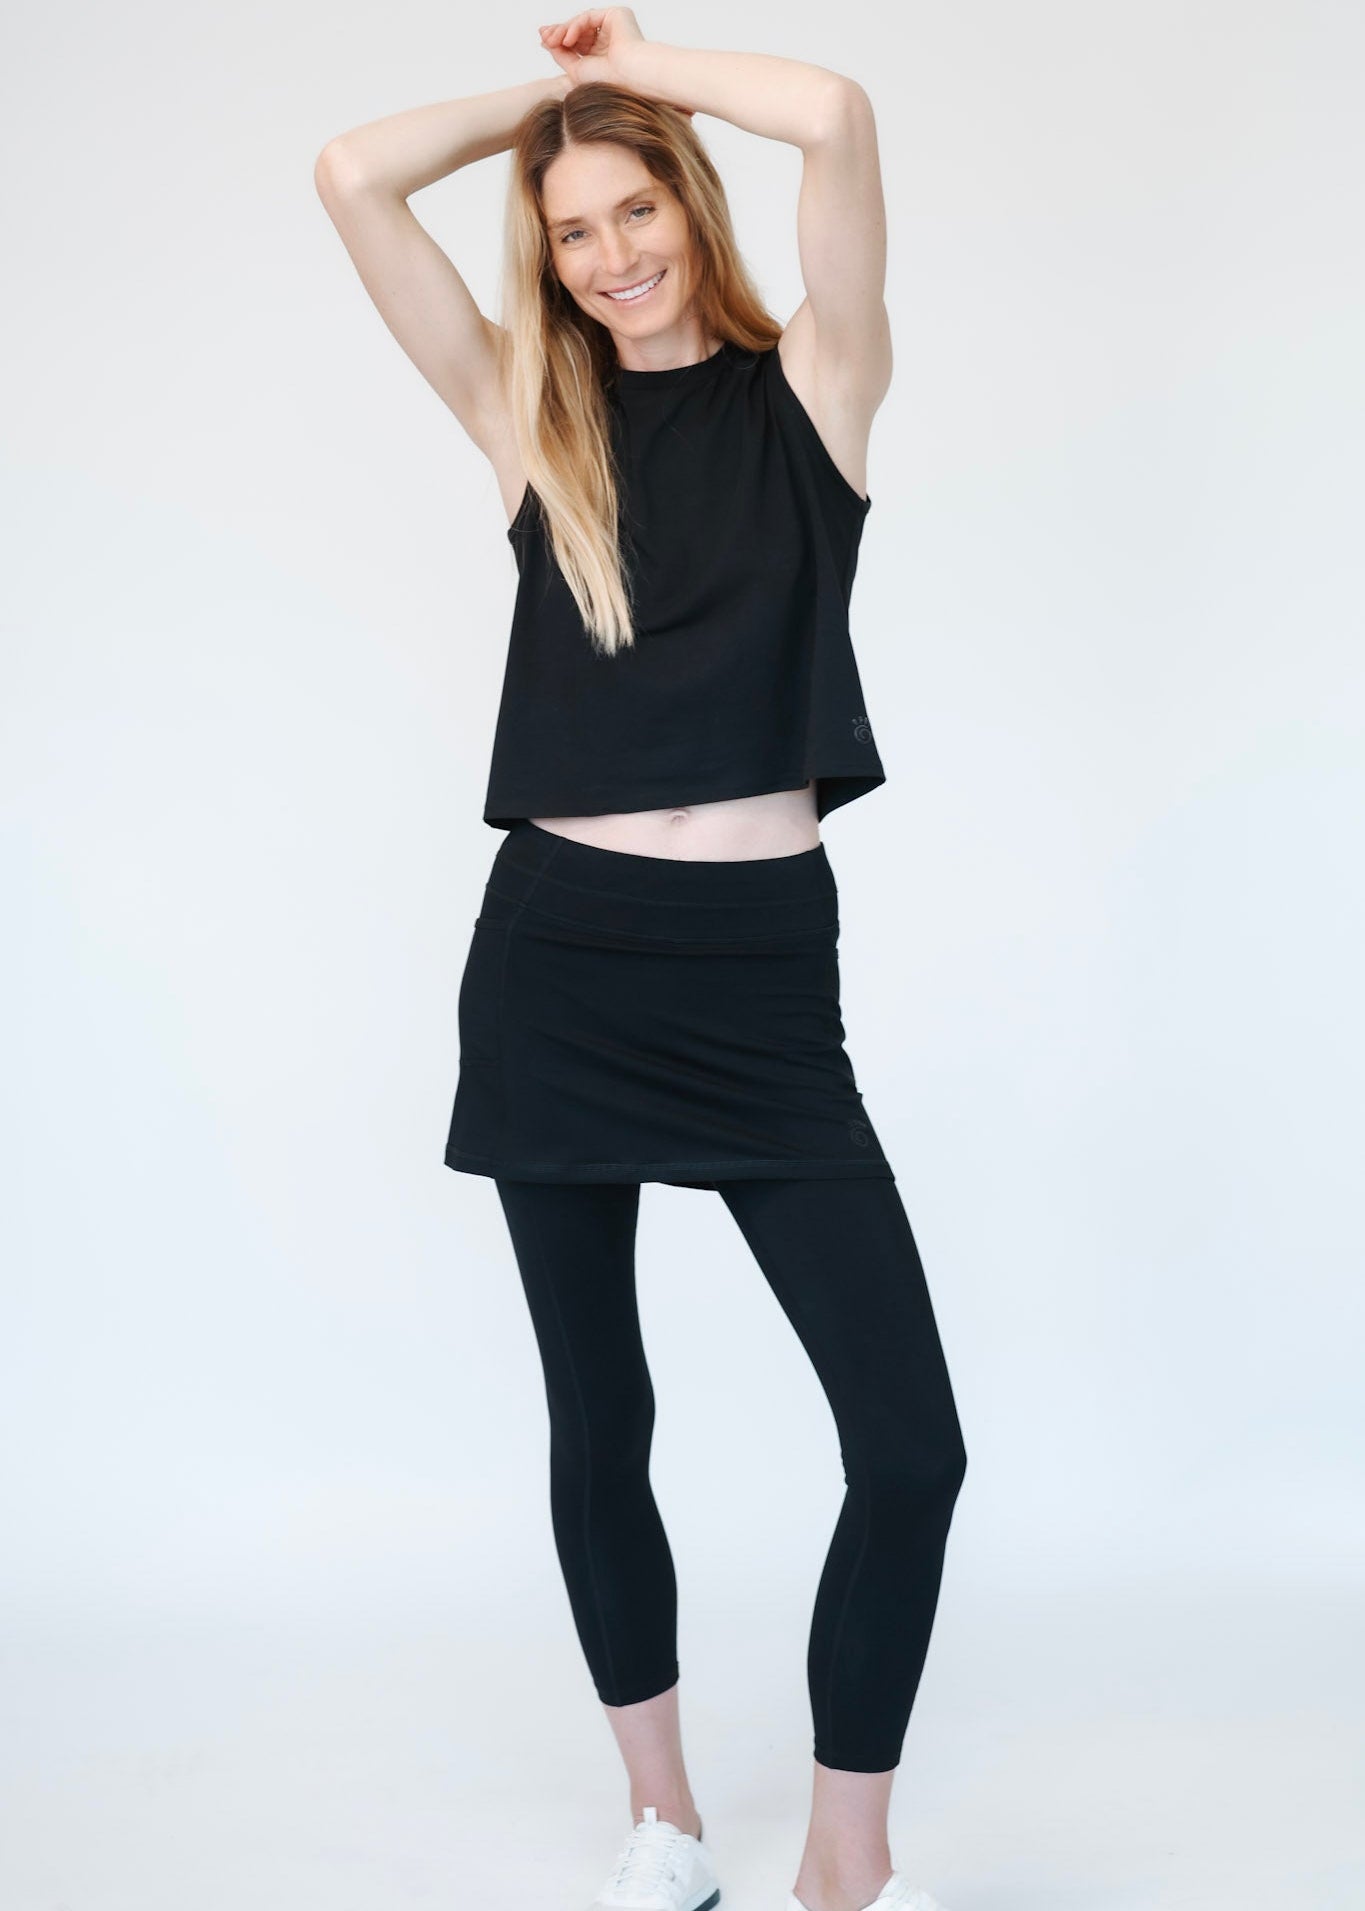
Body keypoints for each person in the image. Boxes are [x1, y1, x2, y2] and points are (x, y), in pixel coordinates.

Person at [314, 12, 967, 1911]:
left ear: (690, 195)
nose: (608, 255)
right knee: (602, 1410)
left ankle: (847, 1854)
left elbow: (835, 117)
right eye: (571, 230)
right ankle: (663, 1822)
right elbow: (353, 174)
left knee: (907, 1445)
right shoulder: (538, 418)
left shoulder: (818, 397)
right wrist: (547, 112)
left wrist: (636, 65)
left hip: (761, 973)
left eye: (634, 208)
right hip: (562, 963)